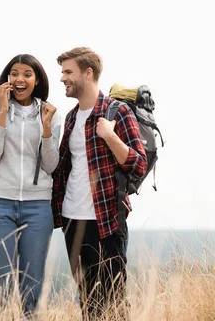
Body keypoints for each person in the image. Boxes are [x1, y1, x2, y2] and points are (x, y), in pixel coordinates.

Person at [51, 47, 147, 320]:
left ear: (88, 73)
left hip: (106, 222)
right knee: (88, 304)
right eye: (62, 72)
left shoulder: (117, 112)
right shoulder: (71, 117)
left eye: (68, 72)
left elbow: (138, 164)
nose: (62, 78)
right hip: (72, 222)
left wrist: (110, 136)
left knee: (114, 304)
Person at [0, 54, 61, 318]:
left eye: (27, 73)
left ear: (36, 80)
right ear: (7, 78)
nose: (19, 79)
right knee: (0, 285)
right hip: (0, 206)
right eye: (14, 73)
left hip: (38, 208)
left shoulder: (49, 113)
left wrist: (46, 129)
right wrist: (3, 113)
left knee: (32, 287)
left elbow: (50, 165)